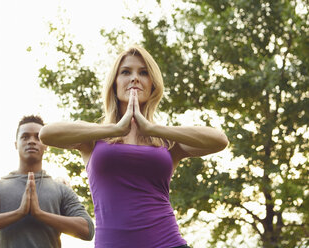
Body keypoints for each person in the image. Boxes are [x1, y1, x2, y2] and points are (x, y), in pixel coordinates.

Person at [39, 45, 229, 248]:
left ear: (153, 85)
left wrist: (152, 129)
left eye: (144, 73)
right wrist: (115, 129)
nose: (135, 78)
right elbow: (47, 134)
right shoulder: (94, 138)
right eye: (126, 72)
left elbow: (219, 140)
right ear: (114, 84)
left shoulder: (167, 142)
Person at [0, 115, 95, 248]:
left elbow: (88, 230)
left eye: (38, 137)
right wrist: (18, 213)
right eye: (25, 137)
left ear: (46, 145)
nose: (31, 141)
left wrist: (40, 214)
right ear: (16, 144)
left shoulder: (61, 188)